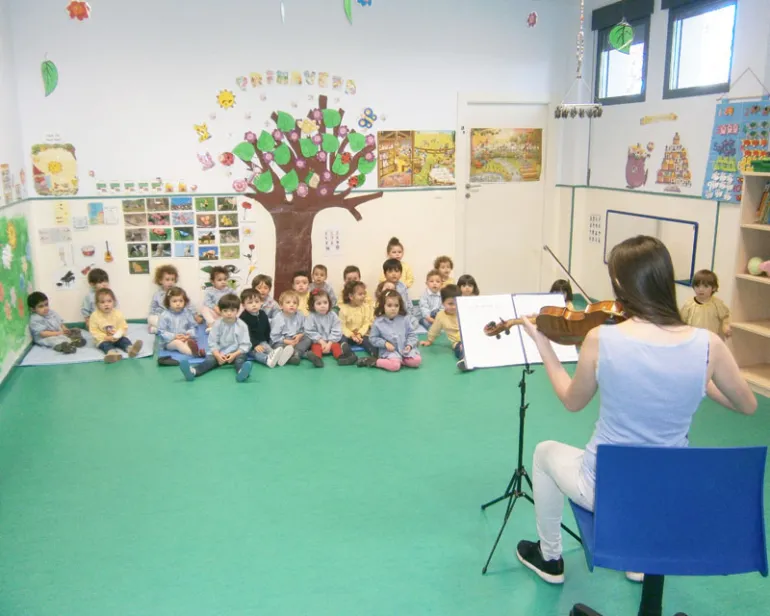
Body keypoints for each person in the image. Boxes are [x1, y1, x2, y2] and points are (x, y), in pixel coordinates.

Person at [514, 236, 757, 586]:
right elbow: (747, 406)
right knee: (653, 469)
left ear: (619, 284)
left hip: (609, 489)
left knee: (544, 453)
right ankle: (640, 558)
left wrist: (543, 344)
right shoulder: (710, 345)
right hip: (671, 493)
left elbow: (571, 400)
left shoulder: (602, 339)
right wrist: (701, 381)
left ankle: (550, 557)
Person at [179, 293, 252, 382]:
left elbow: (245, 344)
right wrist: (217, 355)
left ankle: (242, 372)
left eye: (232, 310)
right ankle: (193, 371)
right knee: (209, 361)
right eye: (225, 311)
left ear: (237, 311)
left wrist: (234, 354)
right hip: (219, 352)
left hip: (236, 353)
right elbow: (212, 342)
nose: (229, 313)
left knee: (240, 360)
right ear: (220, 311)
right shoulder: (217, 324)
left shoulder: (242, 325)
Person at [358, 289, 421, 371]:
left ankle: (400, 360)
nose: (393, 308)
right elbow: (373, 338)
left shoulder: (404, 319)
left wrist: (409, 345)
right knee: (395, 367)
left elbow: (411, 334)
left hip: (404, 349)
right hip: (389, 351)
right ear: (383, 306)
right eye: (389, 305)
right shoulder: (378, 322)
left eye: (396, 305)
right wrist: (385, 343)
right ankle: (375, 362)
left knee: (417, 360)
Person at [239, 288, 294, 368]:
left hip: (263, 341)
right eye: (250, 303)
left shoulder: (262, 314)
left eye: (257, 302)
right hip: (249, 344)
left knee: (269, 350)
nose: (254, 305)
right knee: (258, 353)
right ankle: (267, 360)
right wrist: (255, 345)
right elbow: (245, 334)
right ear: (243, 305)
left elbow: (267, 328)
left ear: (261, 302)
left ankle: (280, 358)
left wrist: (268, 340)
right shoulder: (243, 317)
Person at [305, 289, 358, 367]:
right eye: (319, 303)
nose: (323, 306)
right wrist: (322, 342)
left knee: (336, 346)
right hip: (319, 342)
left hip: (332, 341)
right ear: (313, 305)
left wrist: (329, 344)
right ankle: (317, 360)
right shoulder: (311, 317)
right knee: (315, 347)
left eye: (325, 302)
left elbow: (336, 329)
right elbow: (310, 331)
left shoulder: (332, 315)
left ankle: (342, 358)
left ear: (329, 303)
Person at [89, 288, 143, 363]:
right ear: (97, 304)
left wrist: (118, 334)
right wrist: (105, 337)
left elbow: (123, 327)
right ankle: (112, 354)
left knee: (124, 340)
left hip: (116, 337)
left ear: (114, 302)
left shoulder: (117, 314)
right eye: (102, 302)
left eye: (109, 301)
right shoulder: (94, 316)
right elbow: (94, 331)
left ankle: (130, 349)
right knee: (105, 345)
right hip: (103, 339)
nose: (106, 304)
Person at [420, 284, 465, 369]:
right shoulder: (441, 316)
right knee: (461, 348)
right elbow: (434, 329)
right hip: (457, 342)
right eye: (450, 304)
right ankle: (464, 360)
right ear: (443, 303)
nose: (454, 306)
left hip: (469, 339)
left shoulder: (463, 311)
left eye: (456, 303)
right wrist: (429, 340)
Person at [156, 286, 203, 366]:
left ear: (185, 301)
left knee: (189, 342)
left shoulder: (187, 313)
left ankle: (191, 348)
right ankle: (195, 353)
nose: (178, 304)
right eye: (174, 301)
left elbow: (193, 326)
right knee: (178, 344)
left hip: (185, 337)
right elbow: (161, 331)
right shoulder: (165, 315)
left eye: (181, 301)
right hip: (170, 341)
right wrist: (174, 336)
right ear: (168, 302)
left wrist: (188, 335)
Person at [680, 269, 731, 339]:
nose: (701, 289)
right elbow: (681, 322)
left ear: (714, 288)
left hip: (711, 341)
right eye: (697, 286)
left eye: (705, 286)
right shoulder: (688, 304)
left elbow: (725, 317)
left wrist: (726, 327)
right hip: (692, 340)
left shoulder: (717, 304)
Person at [270, 290, 311, 366]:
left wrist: (300, 335)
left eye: (294, 303)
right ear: (281, 306)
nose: (292, 305)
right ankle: (298, 355)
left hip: (296, 338)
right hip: (283, 340)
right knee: (278, 347)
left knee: (308, 339)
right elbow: (274, 337)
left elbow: (306, 328)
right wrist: (287, 341)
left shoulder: (300, 315)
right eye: (288, 302)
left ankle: (297, 353)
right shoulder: (278, 318)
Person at [339, 280, 376, 356]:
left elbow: (366, 323)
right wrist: (351, 335)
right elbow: (342, 326)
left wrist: (359, 334)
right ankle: (348, 354)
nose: (363, 296)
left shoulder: (365, 307)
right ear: (351, 296)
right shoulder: (343, 309)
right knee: (341, 339)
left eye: (364, 294)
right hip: (348, 336)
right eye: (360, 294)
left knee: (369, 340)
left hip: (361, 335)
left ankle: (374, 354)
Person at [148, 264, 179, 334]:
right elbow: (153, 307)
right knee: (151, 319)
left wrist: (194, 314)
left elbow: (186, 303)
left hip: (172, 317)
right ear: (161, 281)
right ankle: (165, 328)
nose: (170, 282)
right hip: (159, 316)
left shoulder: (177, 293)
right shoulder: (157, 294)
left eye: (172, 280)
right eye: (167, 279)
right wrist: (152, 316)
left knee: (179, 323)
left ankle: (156, 330)